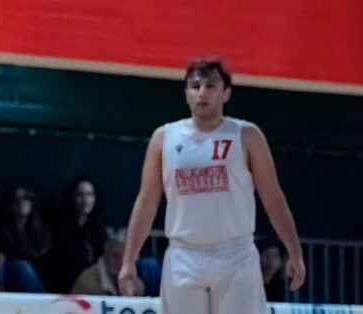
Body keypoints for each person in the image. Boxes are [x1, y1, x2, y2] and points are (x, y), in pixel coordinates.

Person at [119, 58, 306, 313]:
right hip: (183, 255)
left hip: (236, 254)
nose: (202, 92)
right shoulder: (164, 137)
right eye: (195, 86)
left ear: (226, 93)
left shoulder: (247, 135)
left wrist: (294, 252)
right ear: (186, 93)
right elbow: (147, 201)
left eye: (210, 85)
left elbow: (273, 198)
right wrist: (129, 260)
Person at [48, 176, 107, 292]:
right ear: (71, 197)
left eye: (90, 195)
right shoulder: (59, 228)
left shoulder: (99, 229)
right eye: (80, 195)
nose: (86, 200)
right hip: (66, 288)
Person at [0, 187, 50, 293]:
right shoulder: (0, 232)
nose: (21, 203)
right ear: (9, 205)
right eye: (16, 199)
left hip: (38, 282)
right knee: (22, 267)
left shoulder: (42, 232)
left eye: (25, 199)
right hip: (12, 282)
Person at [71, 228, 142, 296]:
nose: (120, 262)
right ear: (106, 256)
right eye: (116, 256)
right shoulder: (86, 284)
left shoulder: (135, 284)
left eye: (124, 258)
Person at [258, 237, 288, 302]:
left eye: (274, 256)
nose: (270, 261)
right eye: (266, 255)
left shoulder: (284, 286)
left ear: (281, 261)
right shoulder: (253, 282)